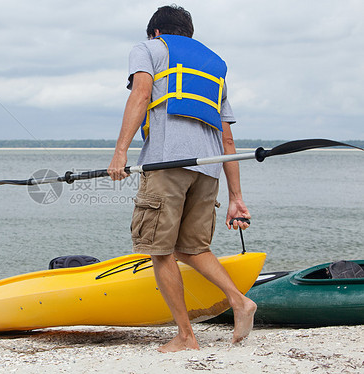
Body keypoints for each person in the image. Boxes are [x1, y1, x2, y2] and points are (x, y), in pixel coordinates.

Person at [108, 5, 256, 352]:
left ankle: (186, 336)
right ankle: (239, 300)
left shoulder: (147, 49)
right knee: (192, 247)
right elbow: (228, 139)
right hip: (209, 167)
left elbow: (141, 94)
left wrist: (120, 153)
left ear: (155, 32)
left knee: (159, 250)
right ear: (187, 33)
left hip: (165, 164)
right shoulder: (214, 64)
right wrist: (236, 196)